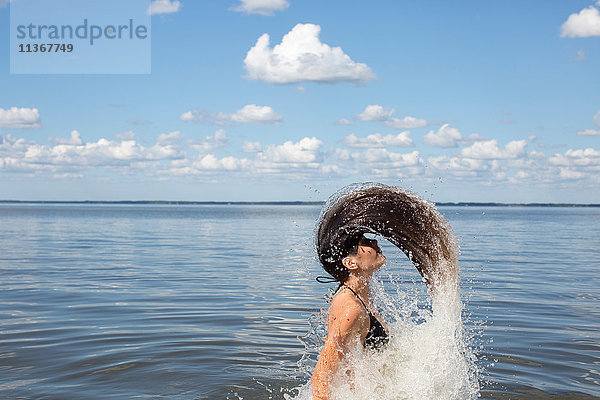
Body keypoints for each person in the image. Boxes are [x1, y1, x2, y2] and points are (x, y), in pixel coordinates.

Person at [311, 234, 389, 400]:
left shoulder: (362, 298)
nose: (374, 242)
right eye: (365, 242)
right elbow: (321, 378)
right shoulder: (351, 308)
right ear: (350, 263)